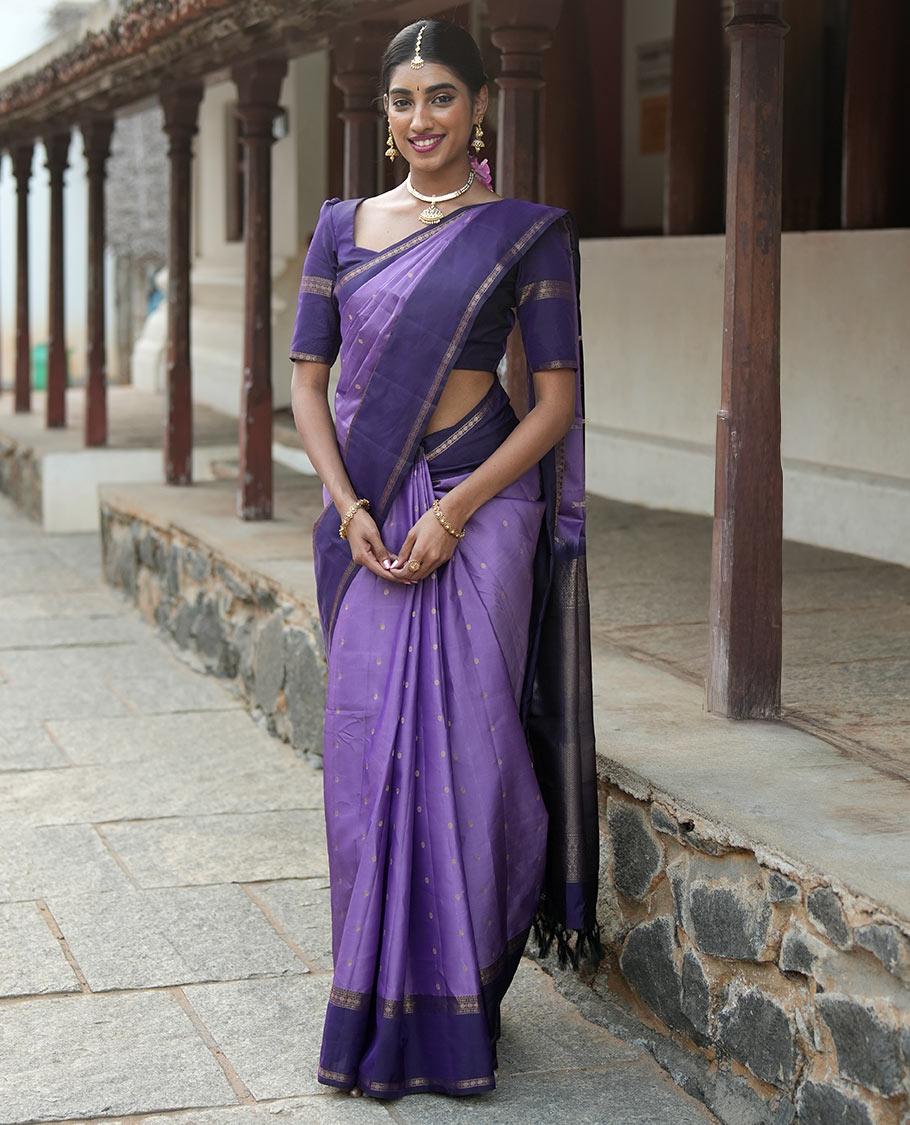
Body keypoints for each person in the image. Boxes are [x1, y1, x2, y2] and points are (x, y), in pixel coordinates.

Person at [289, 18, 600, 1100]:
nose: (420, 118)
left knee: (475, 756)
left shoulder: (524, 234)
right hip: (371, 515)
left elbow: (554, 402)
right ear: (385, 117)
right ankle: (372, 1003)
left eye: (441, 97)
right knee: (365, 755)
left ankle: (464, 1004)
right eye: (403, 99)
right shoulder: (339, 228)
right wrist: (349, 506)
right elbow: (307, 384)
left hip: (485, 509)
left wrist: (459, 510)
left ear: (479, 108)